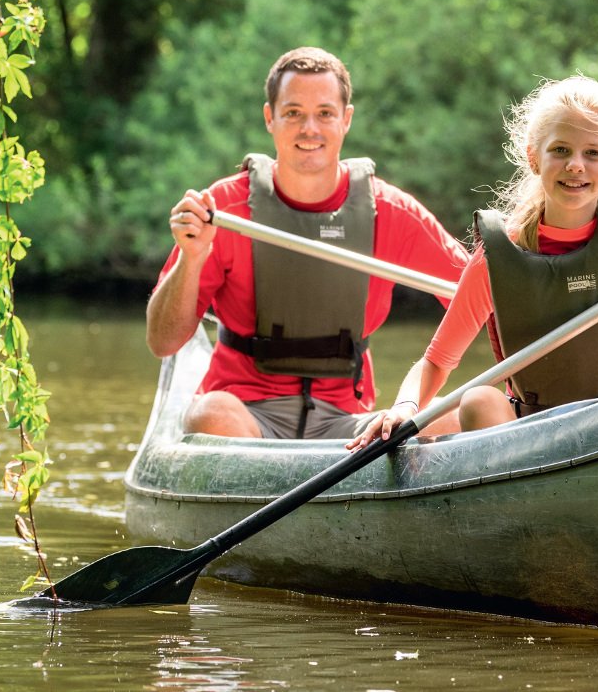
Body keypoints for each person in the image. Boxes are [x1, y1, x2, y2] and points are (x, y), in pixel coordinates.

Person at [347, 74, 598, 449]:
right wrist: (404, 408)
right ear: (534, 158)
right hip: (525, 430)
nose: (575, 165)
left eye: (593, 153)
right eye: (561, 150)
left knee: (465, 407)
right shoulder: (502, 255)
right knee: (477, 400)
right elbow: (437, 361)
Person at [146, 46, 469, 440]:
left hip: (349, 423)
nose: (309, 129)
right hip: (246, 415)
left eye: (325, 114)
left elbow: (478, 296)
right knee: (210, 413)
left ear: (346, 120)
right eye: (294, 113)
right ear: (270, 118)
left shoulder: (391, 212)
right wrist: (192, 259)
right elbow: (162, 341)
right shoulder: (226, 208)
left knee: (460, 415)